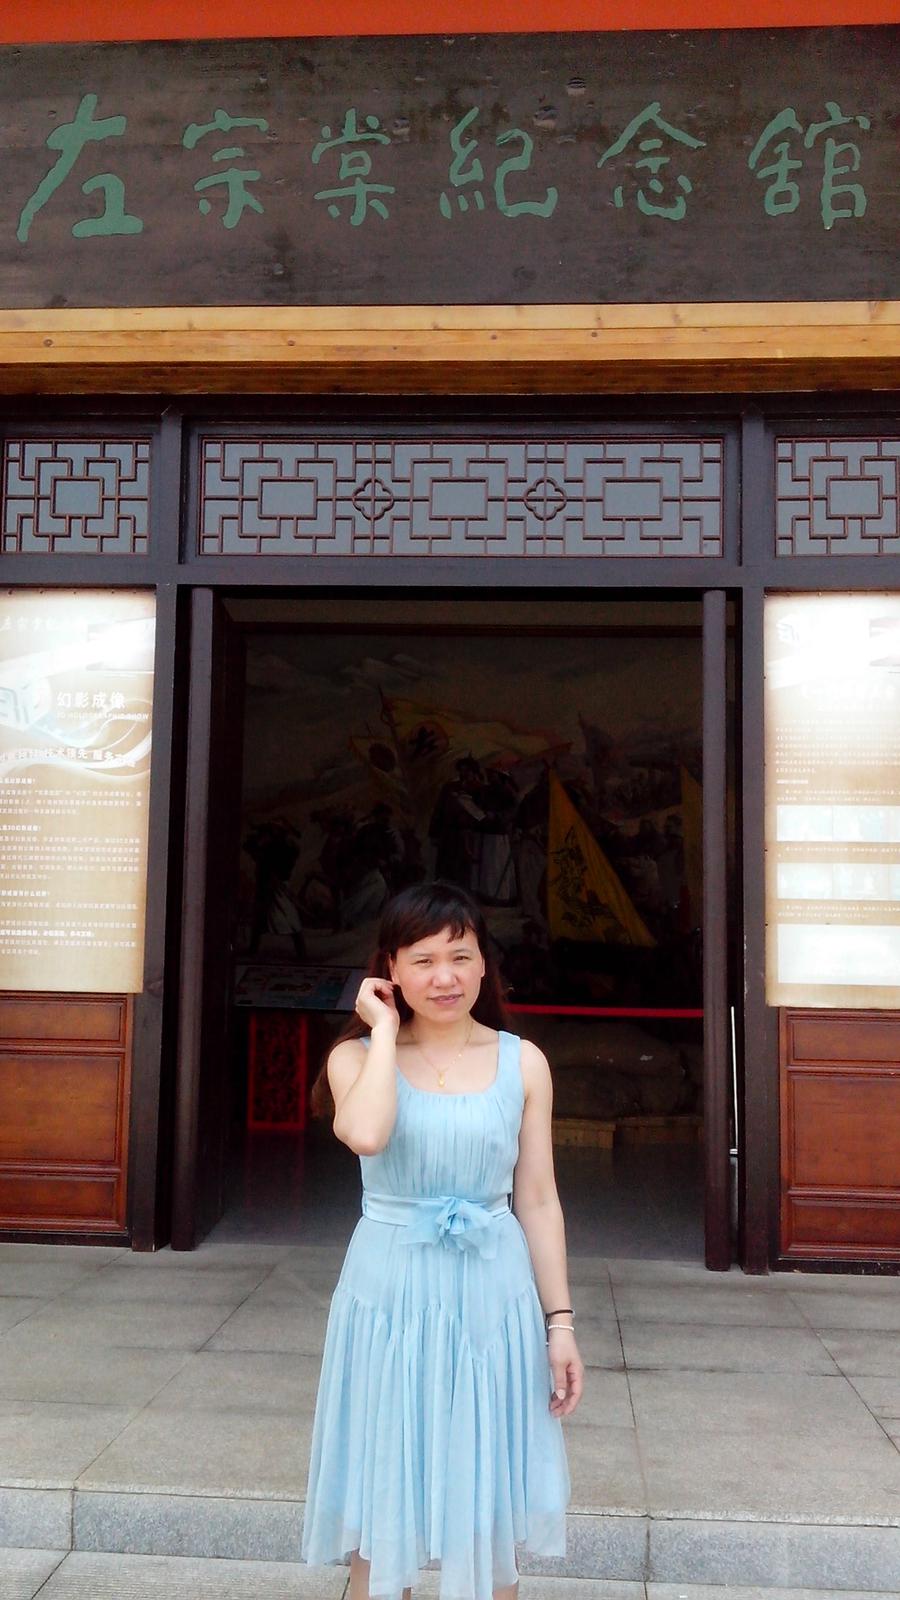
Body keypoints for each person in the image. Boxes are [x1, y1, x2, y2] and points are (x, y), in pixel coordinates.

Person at [302, 881, 582, 1600]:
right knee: (382, 1508)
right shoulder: (355, 1058)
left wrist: (559, 1323)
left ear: (485, 964)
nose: (445, 977)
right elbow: (366, 1133)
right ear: (390, 970)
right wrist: (384, 1033)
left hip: (491, 1295)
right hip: (389, 1295)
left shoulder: (523, 1062)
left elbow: (538, 1199)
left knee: (487, 1515)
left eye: (460, 956)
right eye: (422, 960)